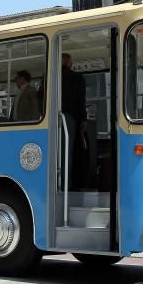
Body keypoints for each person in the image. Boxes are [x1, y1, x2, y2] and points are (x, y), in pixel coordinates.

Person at [61, 53, 93, 190]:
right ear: (70, 63)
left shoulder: (48, 77)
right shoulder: (77, 78)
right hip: (70, 119)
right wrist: (83, 119)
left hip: (51, 121)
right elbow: (81, 101)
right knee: (70, 153)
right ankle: (70, 184)